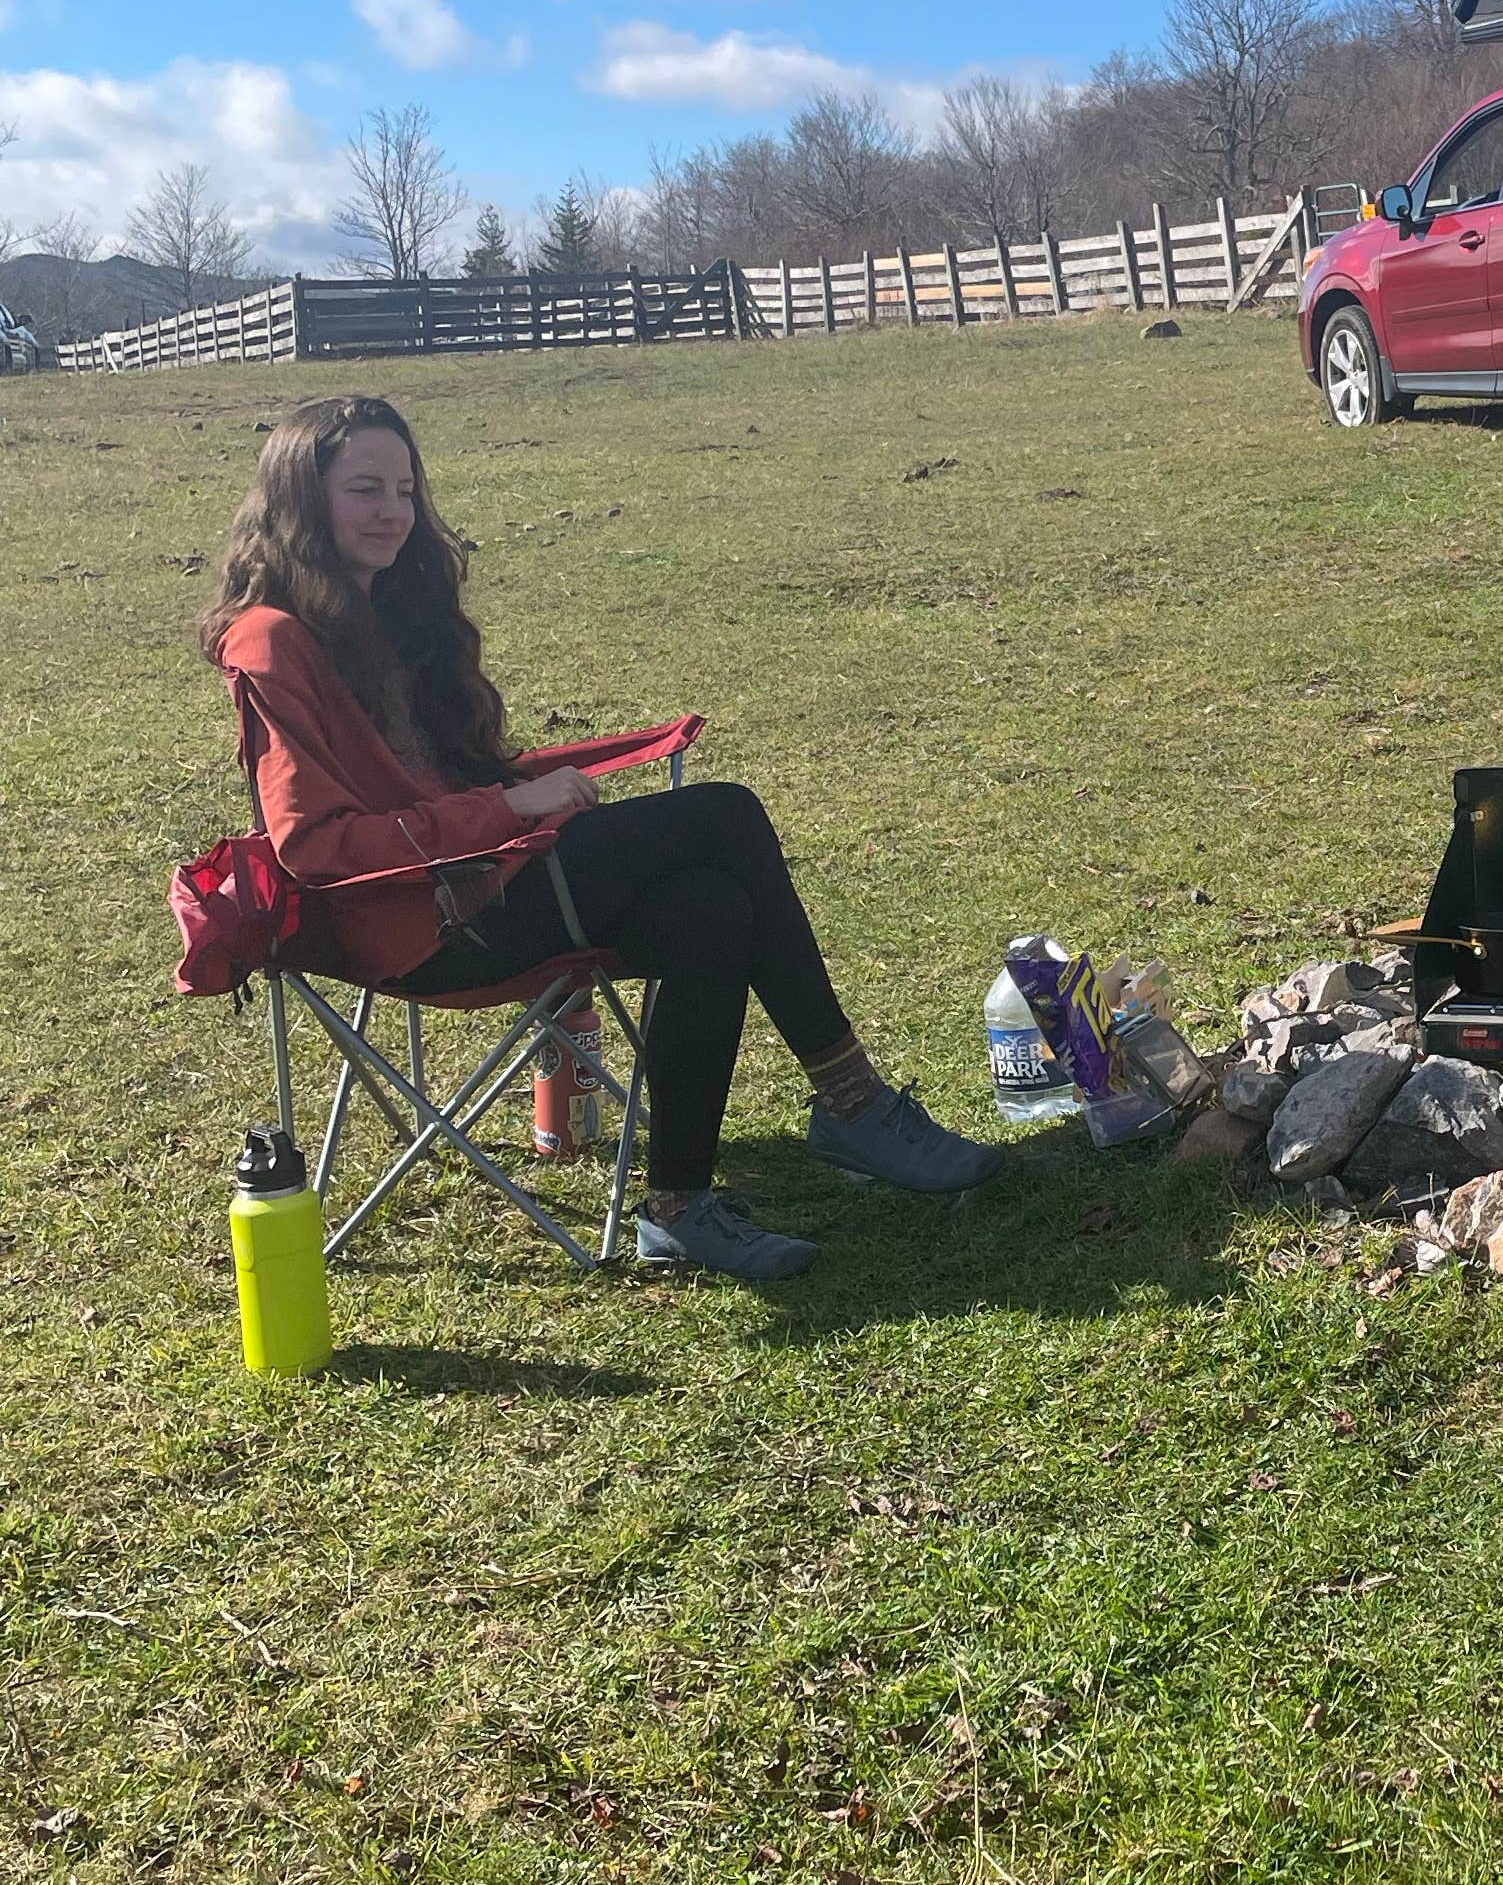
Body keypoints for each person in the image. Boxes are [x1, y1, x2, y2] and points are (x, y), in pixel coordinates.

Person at [203, 391, 999, 1282]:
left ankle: (680, 1206)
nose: (393, 511)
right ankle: (851, 1100)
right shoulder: (272, 640)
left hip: (492, 881)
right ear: (301, 502)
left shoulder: (390, 611)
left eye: (405, 488)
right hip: (426, 927)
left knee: (710, 906)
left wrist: (515, 797)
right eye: (364, 490)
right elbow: (315, 845)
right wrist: (512, 810)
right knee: (725, 813)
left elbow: (446, 776)